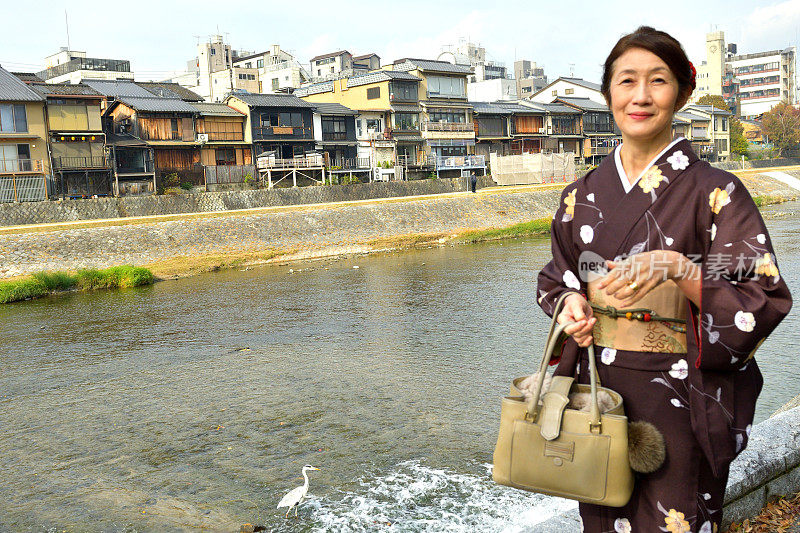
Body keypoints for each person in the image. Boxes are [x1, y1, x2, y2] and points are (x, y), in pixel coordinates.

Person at [537, 26, 792, 532]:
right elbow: (558, 276)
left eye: (658, 81)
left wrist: (681, 269)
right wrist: (570, 305)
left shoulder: (716, 192)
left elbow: (760, 292)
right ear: (608, 92)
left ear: (683, 92)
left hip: (681, 397)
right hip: (599, 394)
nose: (640, 96)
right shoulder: (578, 197)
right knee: (601, 514)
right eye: (626, 81)